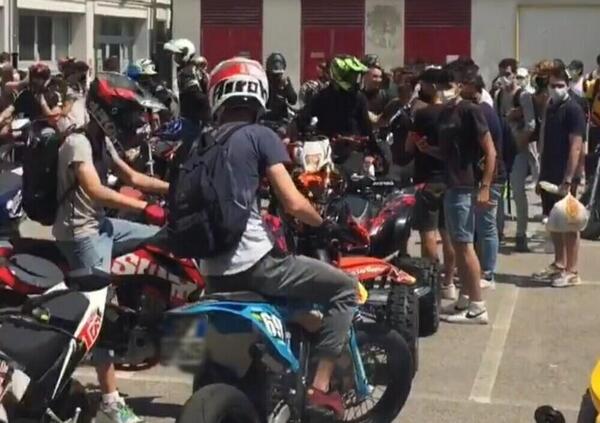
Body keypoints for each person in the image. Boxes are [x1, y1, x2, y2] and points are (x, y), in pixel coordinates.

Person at [202, 57, 358, 418]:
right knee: (343, 289)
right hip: (256, 264)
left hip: (211, 270)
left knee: (297, 308)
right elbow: (291, 201)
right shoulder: (261, 135)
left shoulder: (201, 141)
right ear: (259, 95)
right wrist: (322, 224)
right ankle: (319, 391)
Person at [54, 72, 170, 423]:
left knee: (162, 238)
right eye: (122, 112)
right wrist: (144, 207)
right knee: (97, 316)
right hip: (81, 234)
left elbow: (132, 177)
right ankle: (109, 401)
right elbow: (95, 189)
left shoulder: (99, 140)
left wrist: (176, 189)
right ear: (104, 111)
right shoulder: (78, 143)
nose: (130, 120)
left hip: (103, 226)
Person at [432, 63, 496, 324]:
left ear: (459, 86)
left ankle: (478, 305)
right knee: (458, 246)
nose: (443, 90)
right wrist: (428, 150)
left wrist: (485, 187)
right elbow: (447, 152)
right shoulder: (447, 113)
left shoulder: (471, 110)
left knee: (465, 245)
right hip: (450, 184)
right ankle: (464, 299)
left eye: (448, 85)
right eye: (440, 85)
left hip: (464, 186)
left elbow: (490, 151)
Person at [405, 68, 456, 299]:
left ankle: (431, 280)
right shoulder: (453, 112)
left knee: (427, 231)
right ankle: (449, 282)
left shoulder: (423, 114)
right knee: (448, 234)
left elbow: (409, 146)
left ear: (431, 86)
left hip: (427, 179)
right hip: (451, 178)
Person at [535, 67, 586, 287]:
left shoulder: (573, 110)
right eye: (552, 85)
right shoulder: (551, 107)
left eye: (560, 85)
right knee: (553, 222)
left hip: (565, 176)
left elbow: (576, 146)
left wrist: (569, 179)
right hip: (548, 173)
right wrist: (540, 175)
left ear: (567, 85)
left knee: (569, 223)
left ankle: (572, 270)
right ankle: (559, 264)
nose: (556, 89)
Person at [462, 71, 506, 289]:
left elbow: (490, 152)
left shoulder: (482, 112)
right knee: (480, 226)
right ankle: (481, 269)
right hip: (482, 177)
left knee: (486, 226)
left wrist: (485, 186)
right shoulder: (479, 109)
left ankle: (488, 273)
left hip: (489, 177)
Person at [494, 58, 536, 252]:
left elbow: (531, 125)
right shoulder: (498, 95)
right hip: (503, 150)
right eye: (502, 74)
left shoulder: (524, 96)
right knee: (500, 192)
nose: (505, 79)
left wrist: (519, 142)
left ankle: (521, 233)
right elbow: (496, 122)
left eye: (509, 74)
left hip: (518, 149)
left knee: (518, 191)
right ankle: (499, 230)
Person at [164, 38, 211, 125]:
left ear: (185, 55)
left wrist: (206, 120)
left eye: (177, 55)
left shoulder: (187, 72)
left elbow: (198, 96)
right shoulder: (190, 69)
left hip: (193, 120)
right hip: (191, 118)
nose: (175, 57)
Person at [0, 63, 62, 129]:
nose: (35, 81)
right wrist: (1, 118)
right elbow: (11, 109)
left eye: (39, 78)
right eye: (34, 77)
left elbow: (52, 119)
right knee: (4, 132)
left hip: (43, 130)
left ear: (45, 79)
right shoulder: (26, 94)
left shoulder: (52, 96)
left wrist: (43, 103)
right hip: (25, 129)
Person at [264, 52, 297, 122]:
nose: (277, 77)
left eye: (279, 74)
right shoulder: (264, 80)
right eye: (274, 75)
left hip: (281, 118)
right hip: (266, 117)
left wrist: (287, 87)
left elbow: (293, 100)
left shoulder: (284, 80)